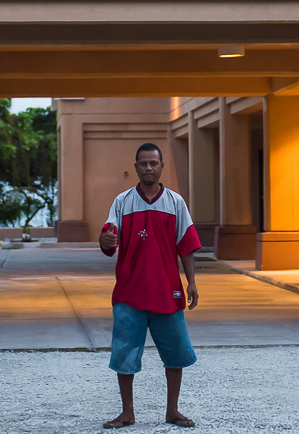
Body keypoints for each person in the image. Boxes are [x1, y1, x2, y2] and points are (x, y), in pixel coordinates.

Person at [99, 142, 201, 429]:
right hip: (129, 293)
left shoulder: (175, 203)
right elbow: (109, 236)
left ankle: (173, 410)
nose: (148, 168)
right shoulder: (122, 202)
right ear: (135, 167)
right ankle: (127, 412)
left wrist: (191, 282)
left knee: (176, 353)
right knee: (124, 355)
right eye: (143, 163)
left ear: (161, 166)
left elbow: (187, 245)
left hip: (168, 291)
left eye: (153, 163)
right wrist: (105, 240)